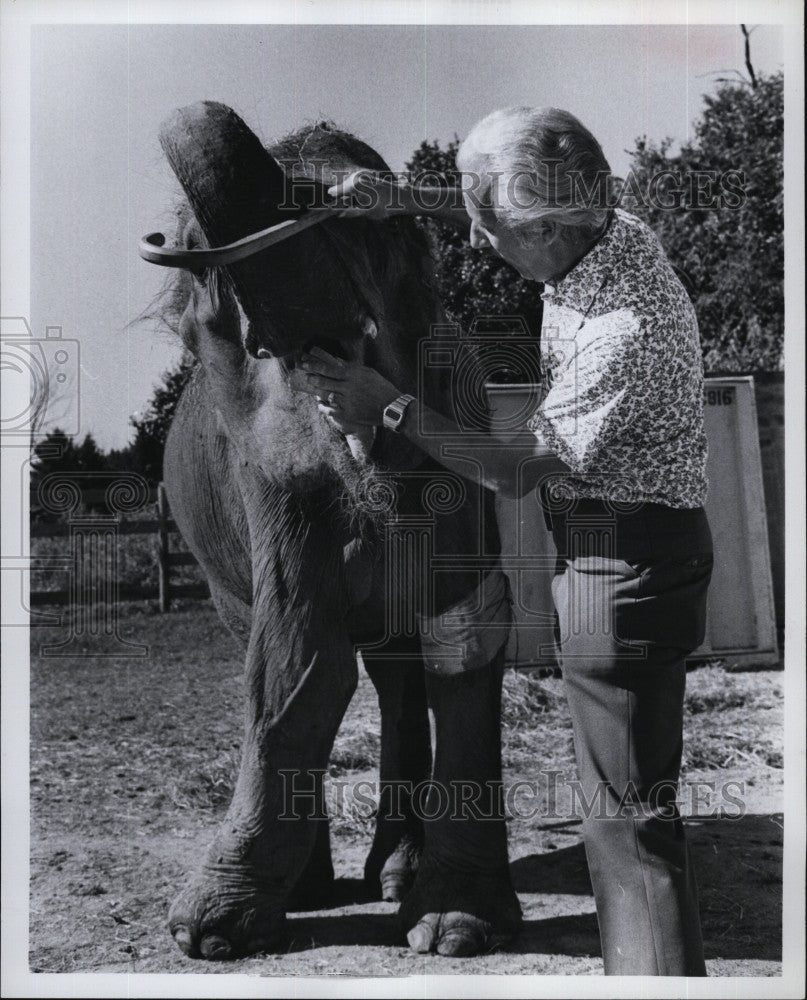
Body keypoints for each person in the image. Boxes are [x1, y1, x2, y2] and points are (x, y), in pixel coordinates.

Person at [291, 106, 713, 977]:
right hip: (624, 549)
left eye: (492, 231)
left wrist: (387, 406)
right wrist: (401, 197)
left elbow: (514, 470)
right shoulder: (611, 226)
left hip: (621, 566)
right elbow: (503, 205)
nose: (479, 245)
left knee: (626, 825)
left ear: (550, 228)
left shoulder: (618, 334)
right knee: (620, 807)